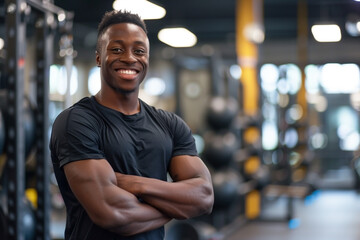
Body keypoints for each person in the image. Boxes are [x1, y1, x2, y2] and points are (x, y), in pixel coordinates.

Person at [50, 10, 214, 240]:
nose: (129, 58)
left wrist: (133, 183)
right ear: (98, 57)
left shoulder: (170, 124)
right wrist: (176, 207)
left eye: (139, 51)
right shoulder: (76, 122)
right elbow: (112, 213)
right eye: (117, 49)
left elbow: (204, 197)